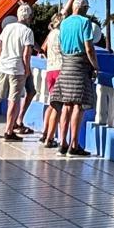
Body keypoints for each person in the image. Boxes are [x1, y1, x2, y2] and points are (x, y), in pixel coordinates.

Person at [50, 0, 98, 155]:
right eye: (86, 9)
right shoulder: (85, 22)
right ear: (83, 8)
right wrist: (95, 66)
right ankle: (74, 145)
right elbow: (89, 48)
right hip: (79, 67)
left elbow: (61, 45)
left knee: (66, 104)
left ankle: (62, 143)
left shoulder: (64, 23)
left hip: (65, 66)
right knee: (78, 105)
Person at [0, 5, 36, 137]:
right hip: (16, 70)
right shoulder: (27, 32)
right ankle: (8, 131)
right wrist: (26, 70)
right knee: (14, 100)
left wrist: (0, 62)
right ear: (29, 17)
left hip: (3, 68)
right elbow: (26, 54)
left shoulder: (7, 28)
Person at [40, 12, 64, 147]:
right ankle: (51, 138)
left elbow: (44, 49)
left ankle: (45, 132)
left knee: (52, 103)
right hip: (60, 69)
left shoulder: (50, 35)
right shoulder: (61, 34)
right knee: (58, 107)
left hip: (50, 70)